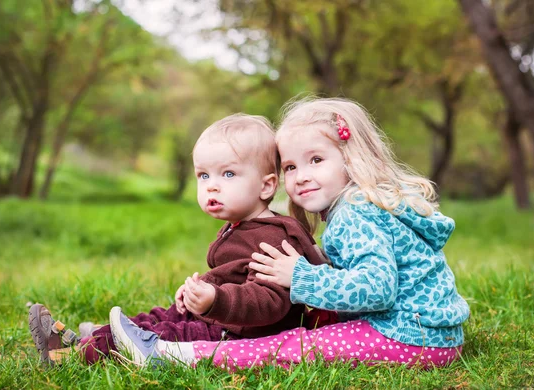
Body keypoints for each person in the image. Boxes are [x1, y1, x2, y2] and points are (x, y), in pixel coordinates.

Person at [110, 97, 471, 370]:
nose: (301, 176)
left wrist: (301, 278)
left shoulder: (356, 215)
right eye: (291, 166)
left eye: (316, 160)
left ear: (351, 158)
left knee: (293, 346)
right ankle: (124, 333)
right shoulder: (360, 208)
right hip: (432, 334)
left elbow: (377, 289)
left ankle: (171, 354)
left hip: (409, 336)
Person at [28, 114, 330, 366]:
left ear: (266, 186)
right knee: (167, 314)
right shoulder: (242, 225)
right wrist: (201, 293)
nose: (212, 187)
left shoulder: (273, 238)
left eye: (227, 174)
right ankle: (90, 336)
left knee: (170, 333)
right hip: (223, 318)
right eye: (203, 176)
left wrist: (216, 299)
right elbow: (233, 276)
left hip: (239, 336)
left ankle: (70, 353)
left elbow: (270, 302)